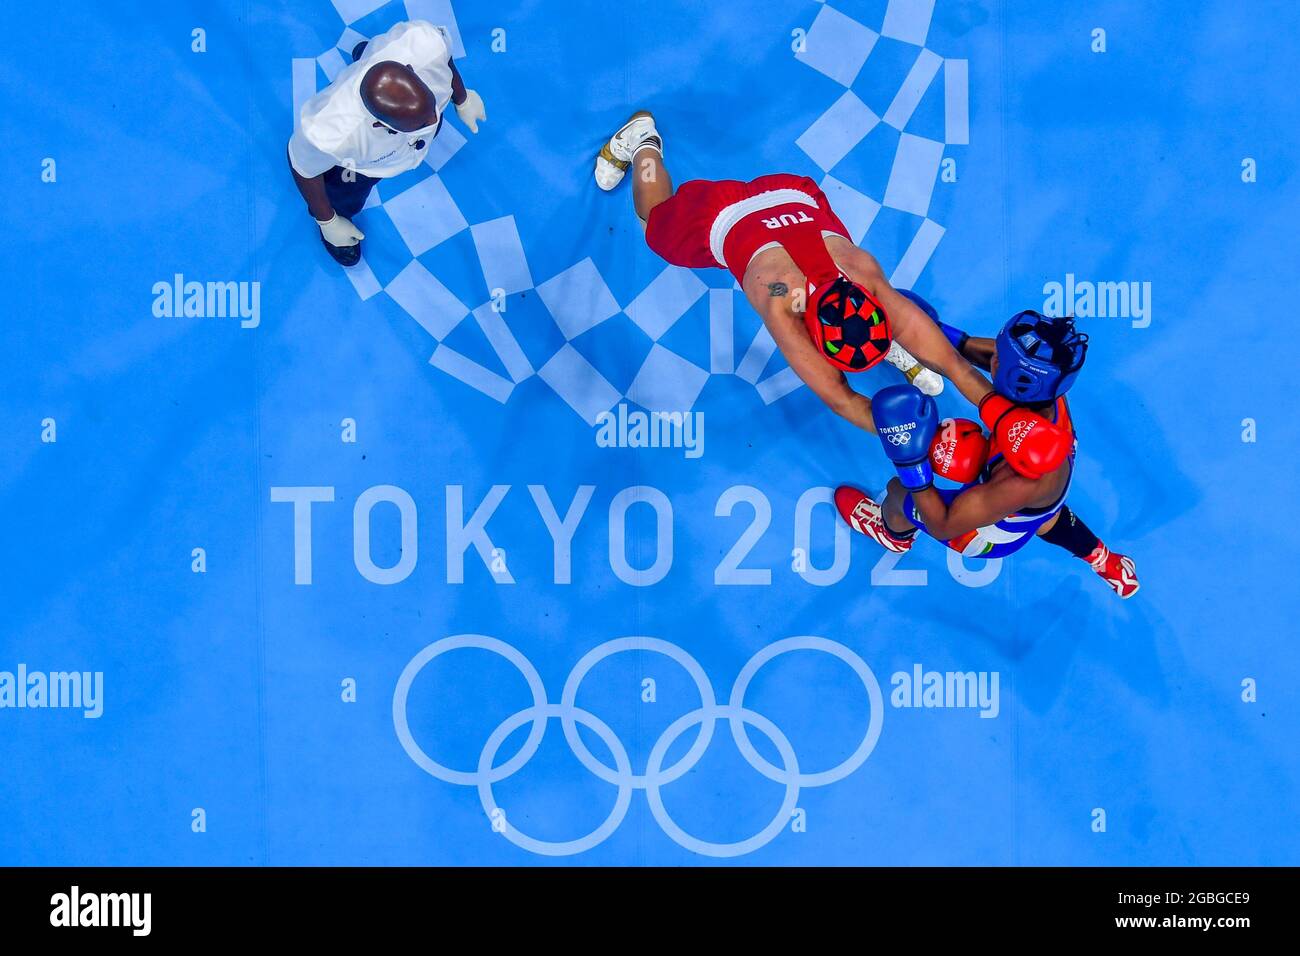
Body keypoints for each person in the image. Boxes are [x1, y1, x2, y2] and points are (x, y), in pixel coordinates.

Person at [592, 111, 1008, 432]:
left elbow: (958, 369)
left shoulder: (864, 279)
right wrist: (920, 449)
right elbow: (842, 398)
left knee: (902, 320)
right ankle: (643, 141)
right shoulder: (785, 308)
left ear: (871, 306)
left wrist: (1004, 416)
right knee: (653, 221)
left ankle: (891, 348)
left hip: (794, 195)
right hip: (725, 213)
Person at [835, 310, 1139, 599]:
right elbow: (981, 355)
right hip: (1037, 499)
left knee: (897, 492)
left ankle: (893, 535)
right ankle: (1103, 559)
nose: (993, 358)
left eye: (1000, 358)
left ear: (1018, 379)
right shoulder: (1048, 391)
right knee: (1045, 514)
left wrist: (911, 463)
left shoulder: (1019, 482)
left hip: (986, 534)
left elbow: (944, 524)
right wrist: (936, 332)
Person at [288, 20, 487, 266]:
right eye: (420, 124)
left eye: (431, 109)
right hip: (359, 166)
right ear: (379, 125)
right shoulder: (331, 132)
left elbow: (444, 60)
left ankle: (368, 54)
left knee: (378, 52)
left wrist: (462, 98)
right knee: (344, 194)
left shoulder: (424, 42)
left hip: (390, 76)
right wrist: (327, 221)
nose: (434, 119)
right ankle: (338, 225)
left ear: (412, 70)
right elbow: (301, 166)